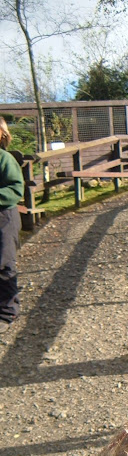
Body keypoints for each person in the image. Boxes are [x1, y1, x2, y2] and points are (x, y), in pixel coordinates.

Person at [0, 117, 24, 333]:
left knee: (5, 262)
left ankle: (8, 311)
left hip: (4, 215)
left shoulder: (4, 159)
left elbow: (16, 189)